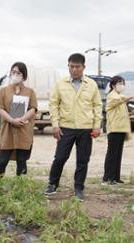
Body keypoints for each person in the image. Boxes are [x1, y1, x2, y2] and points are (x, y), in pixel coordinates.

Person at [44, 53, 102, 202]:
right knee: (60, 158)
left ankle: (78, 188)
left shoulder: (91, 84)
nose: (74, 69)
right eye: (71, 66)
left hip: (85, 128)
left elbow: (97, 105)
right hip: (66, 127)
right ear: (68, 66)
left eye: (77, 67)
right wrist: (55, 125)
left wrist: (96, 126)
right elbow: (53, 104)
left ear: (84, 67)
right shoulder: (61, 83)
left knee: (82, 160)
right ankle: (52, 184)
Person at [0, 62, 37, 181]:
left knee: (22, 161)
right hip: (8, 129)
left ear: (24, 75)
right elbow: (0, 108)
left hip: (23, 129)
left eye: (18, 72)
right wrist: (12, 120)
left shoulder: (30, 92)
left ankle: (20, 187)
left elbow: (33, 109)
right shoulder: (3, 91)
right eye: (13, 72)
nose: (15, 75)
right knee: (3, 160)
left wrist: (22, 119)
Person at [102, 76, 134, 185]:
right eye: (119, 83)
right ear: (113, 85)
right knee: (112, 154)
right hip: (114, 129)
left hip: (121, 129)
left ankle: (115, 177)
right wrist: (129, 97)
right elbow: (118, 100)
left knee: (118, 154)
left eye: (123, 83)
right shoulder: (112, 96)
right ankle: (107, 178)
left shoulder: (119, 96)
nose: (122, 85)